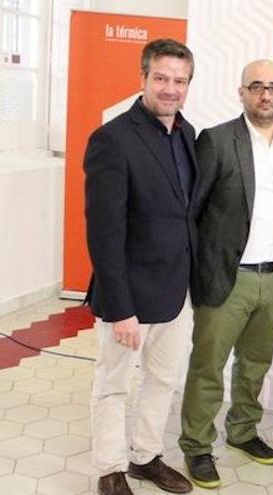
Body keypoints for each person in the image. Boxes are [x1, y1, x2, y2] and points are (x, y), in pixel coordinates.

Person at [178, 59, 273, 489]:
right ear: (242, 92)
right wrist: (197, 275)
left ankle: (243, 430)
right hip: (226, 276)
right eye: (256, 87)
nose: (265, 95)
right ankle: (196, 446)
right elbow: (193, 212)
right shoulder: (216, 140)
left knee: (255, 365)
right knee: (208, 367)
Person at [85, 39, 196, 495]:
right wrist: (120, 308)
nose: (171, 89)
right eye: (162, 78)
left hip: (177, 291)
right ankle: (110, 470)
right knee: (114, 385)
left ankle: (145, 456)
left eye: (180, 80)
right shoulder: (112, 139)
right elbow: (104, 233)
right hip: (130, 295)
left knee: (163, 379)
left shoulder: (188, 134)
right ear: (143, 77)